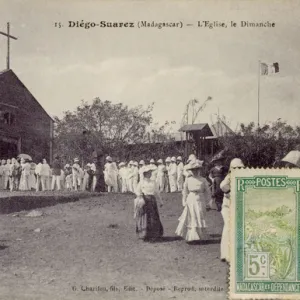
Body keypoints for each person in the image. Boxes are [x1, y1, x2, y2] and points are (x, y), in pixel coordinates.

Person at [175, 160, 211, 242]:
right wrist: (184, 201)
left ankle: (201, 236)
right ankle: (192, 236)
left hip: (200, 199)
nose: (195, 171)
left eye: (197, 170)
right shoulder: (188, 179)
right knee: (192, 216)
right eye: (193, 170)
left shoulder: (203, 180)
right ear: (191, 171)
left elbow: (208, 192)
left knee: (200, 216)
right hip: (191, 199)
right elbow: (184, 191)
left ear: (199, 170)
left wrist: (209, 203)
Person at [220, 158, 244, 263]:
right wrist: (228, 191)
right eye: (235, 168)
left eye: (239, 167)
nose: (237, 169)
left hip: (236, 207)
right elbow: (222, 186)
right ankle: (225, 254)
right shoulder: (229, 177)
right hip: (227, 208)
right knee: (228, 228)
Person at [134, 165, 164, 241]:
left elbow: (157, 192)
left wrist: (160, 201)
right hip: (145, 201)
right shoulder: (141, 182)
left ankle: (154, 234)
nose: (150, 174)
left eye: (150, 172)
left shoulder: (153, 182)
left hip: (152, 201)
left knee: (153, 217)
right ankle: (145, 234)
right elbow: (137, 190)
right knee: (145, 217)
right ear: (145, 174)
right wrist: (139, 195)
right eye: (148, 173)